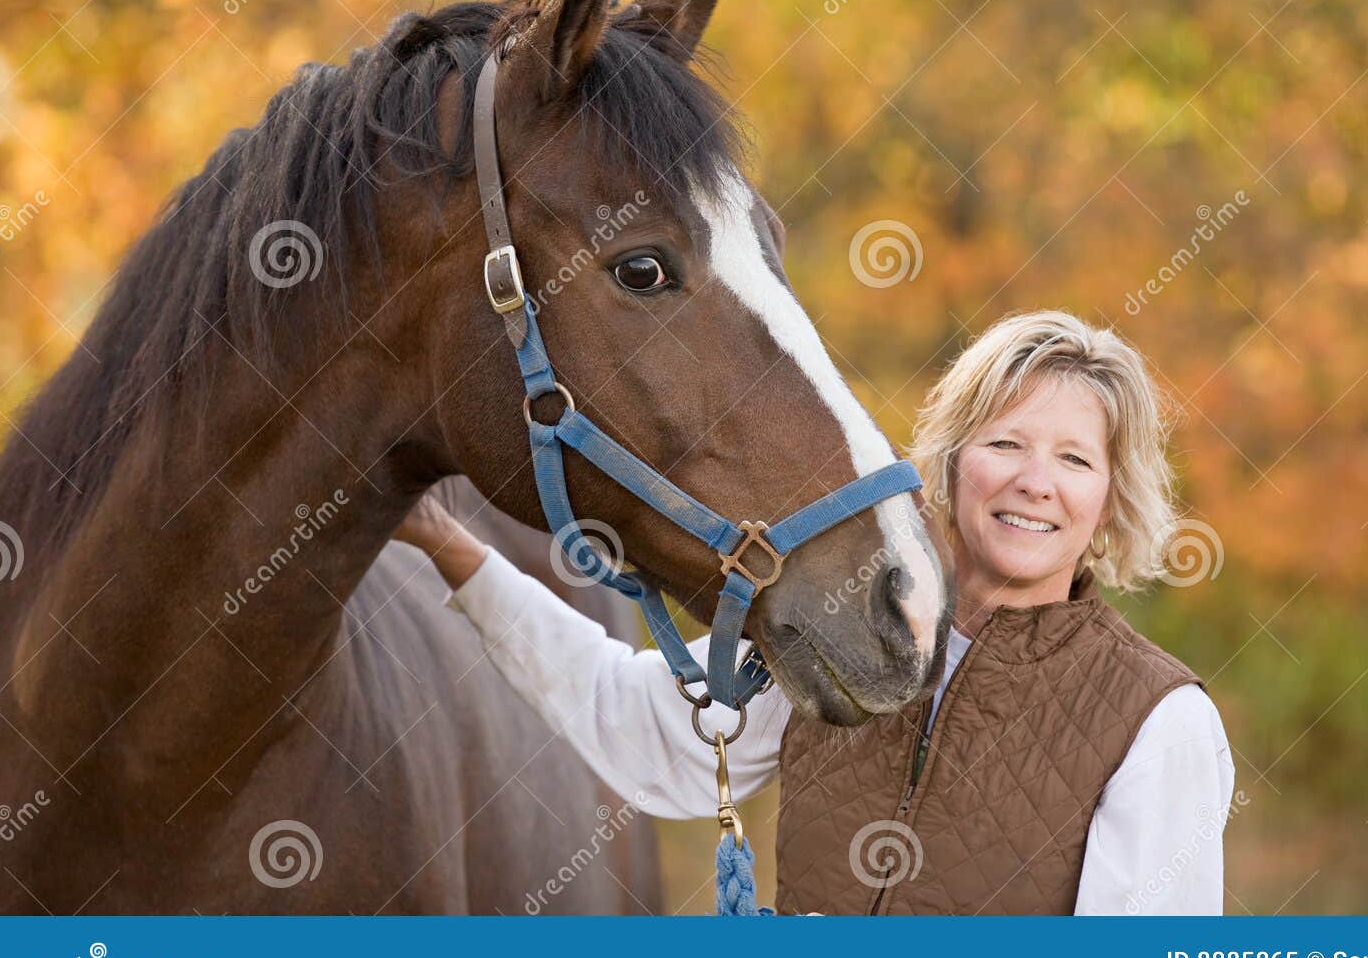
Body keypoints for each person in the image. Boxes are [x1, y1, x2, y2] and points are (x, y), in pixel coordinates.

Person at [396, 310, 1236, 914]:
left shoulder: (1159, 720)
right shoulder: (850, 631)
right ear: (948, 464)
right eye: (1006, 443)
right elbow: (640, 725)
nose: (1034, 481)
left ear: (1110, 495)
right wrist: (452, 548)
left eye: (1075, 459)